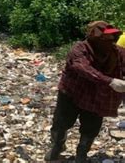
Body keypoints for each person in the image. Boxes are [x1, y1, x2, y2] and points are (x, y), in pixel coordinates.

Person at [44, 21, 125, 162]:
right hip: (72, 92)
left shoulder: (116, 53)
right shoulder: (80, 49)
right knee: (61, 123)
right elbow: (83, 69)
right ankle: (57, 145)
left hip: (97, 96)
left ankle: (82, 153)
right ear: (95, 39)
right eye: (105, 39)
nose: (110, 42)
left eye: (112, 38)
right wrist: (110, 81)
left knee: (91, 127)